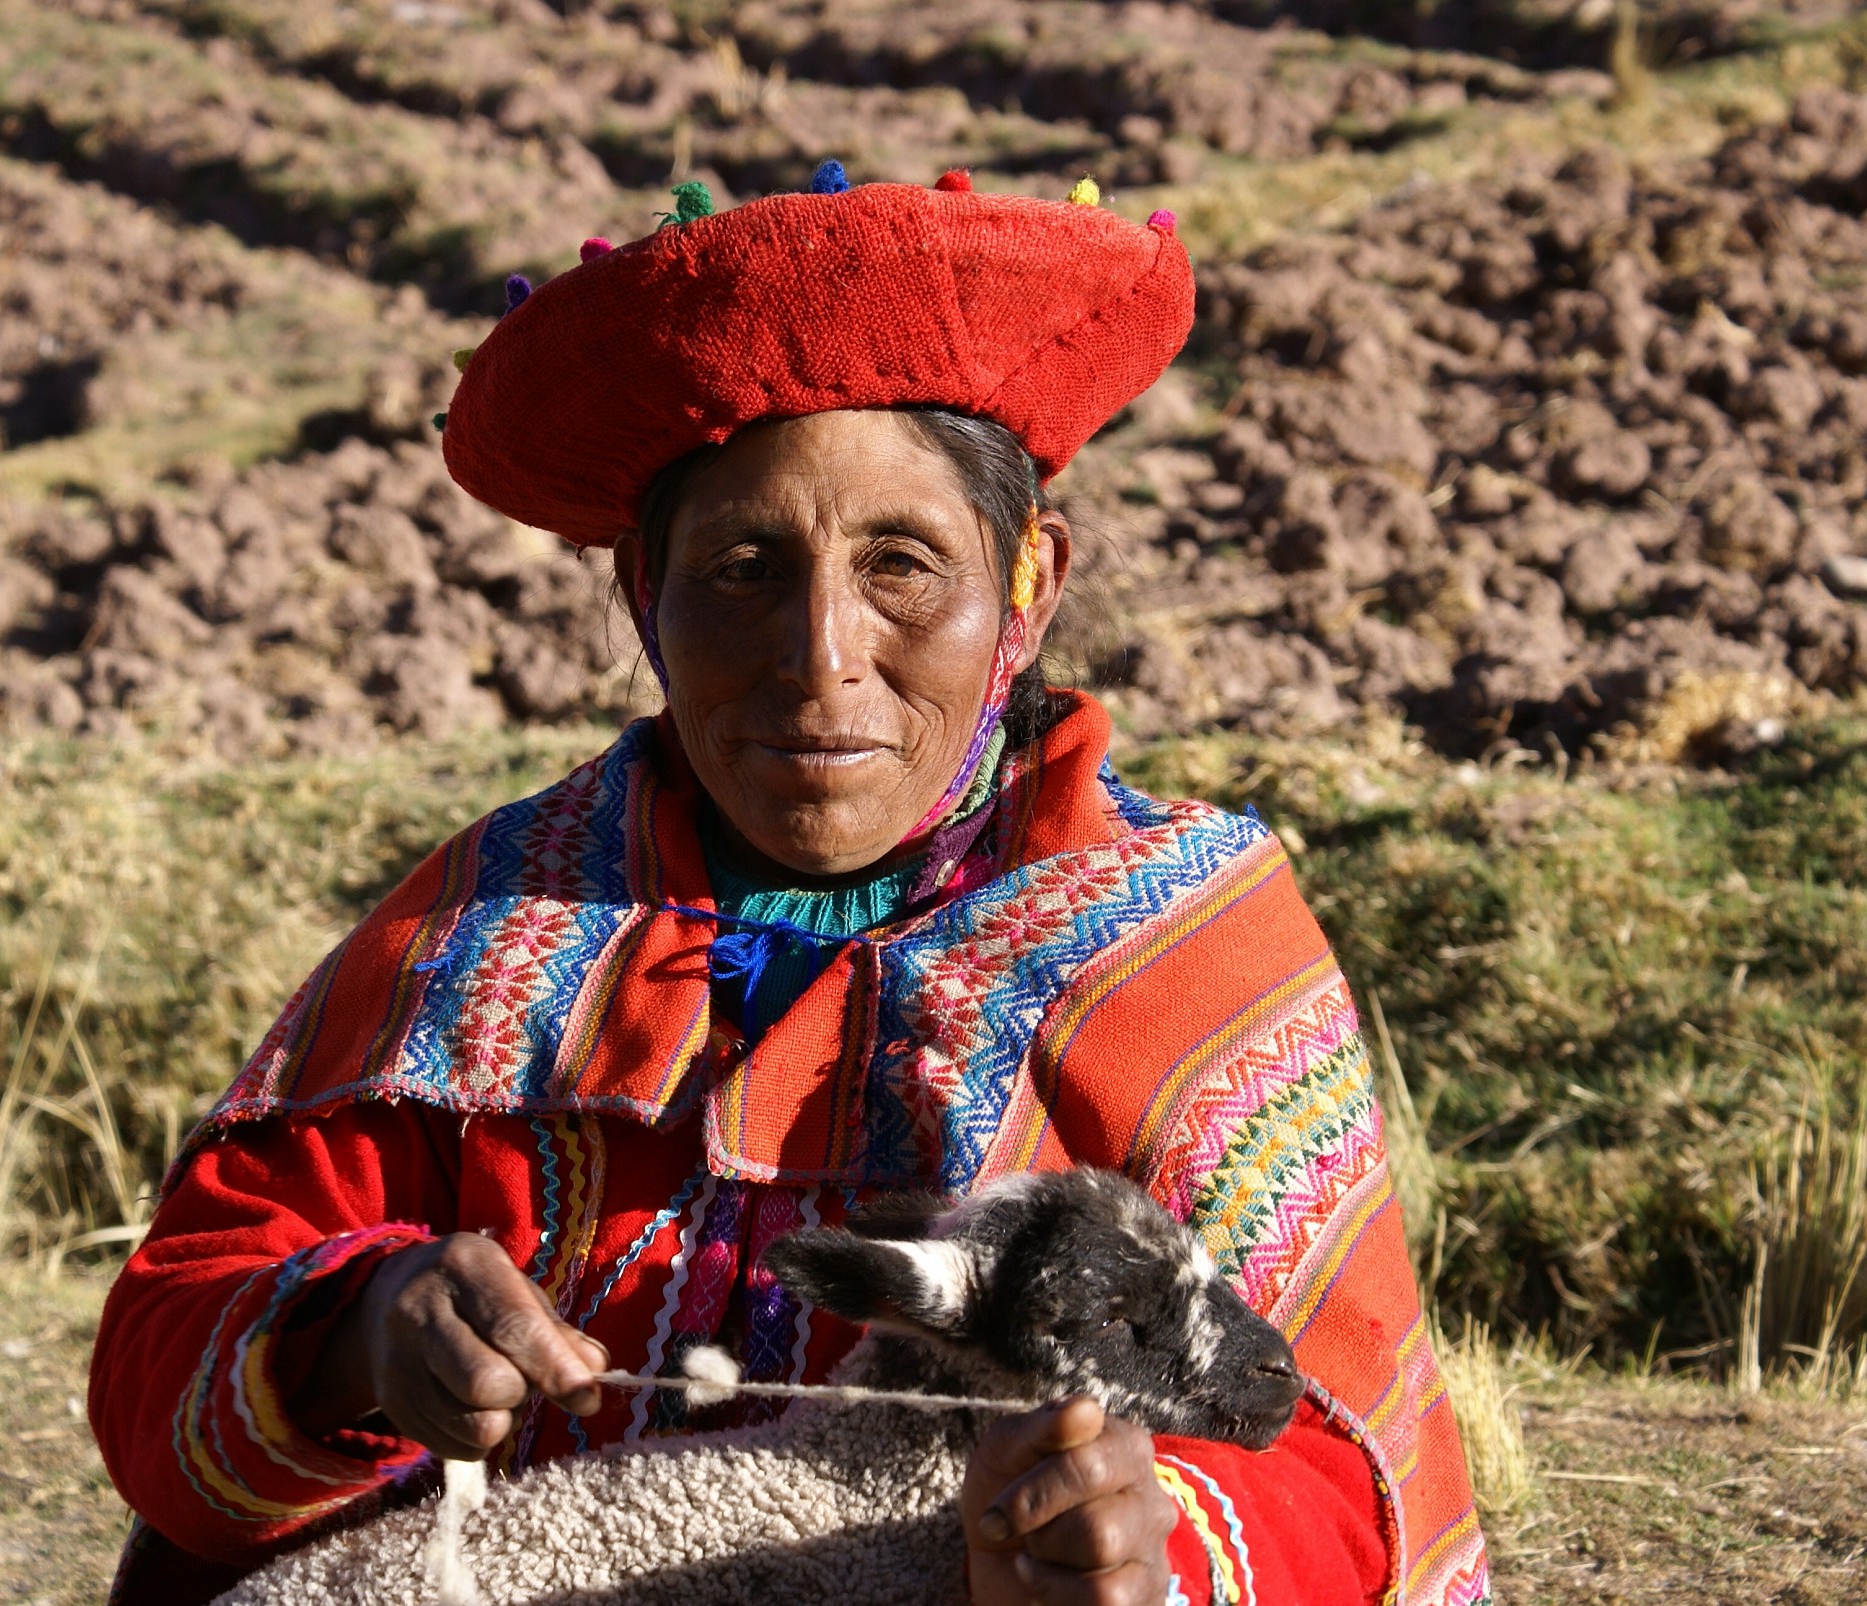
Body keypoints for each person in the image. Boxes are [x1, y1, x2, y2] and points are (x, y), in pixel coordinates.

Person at [89, 165, 1488, 1606]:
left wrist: (1154, 1539)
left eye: (902, 564)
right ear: (647, 594)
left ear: (1029, 582)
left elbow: (1338, 1454)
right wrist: (360, 1329)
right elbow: (169, 1356)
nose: (819, 655)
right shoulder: (480, 941)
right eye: (744, 568)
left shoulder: (1181, 950)